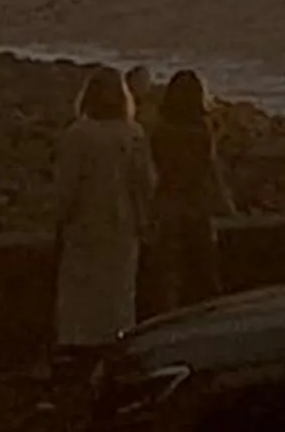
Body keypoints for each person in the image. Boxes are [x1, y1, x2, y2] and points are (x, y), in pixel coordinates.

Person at [54, 67, 158, 367]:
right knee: (119, 291)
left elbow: (66, 187)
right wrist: (144, 221)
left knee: (80, 291)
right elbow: (146, 184)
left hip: (85, 225)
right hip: (124, 226)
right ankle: (117, 343)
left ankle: (78, 348)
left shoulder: (78, 134)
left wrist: (60, 218)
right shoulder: (133, 133)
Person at [146, 69, 233, 312]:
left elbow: (152, 168)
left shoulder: (161, 130)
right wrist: (227, 204)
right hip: (197, 204)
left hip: (167, 204)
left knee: (168, 275)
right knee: (204, 271)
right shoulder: (202, 130)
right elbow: (211, 170)